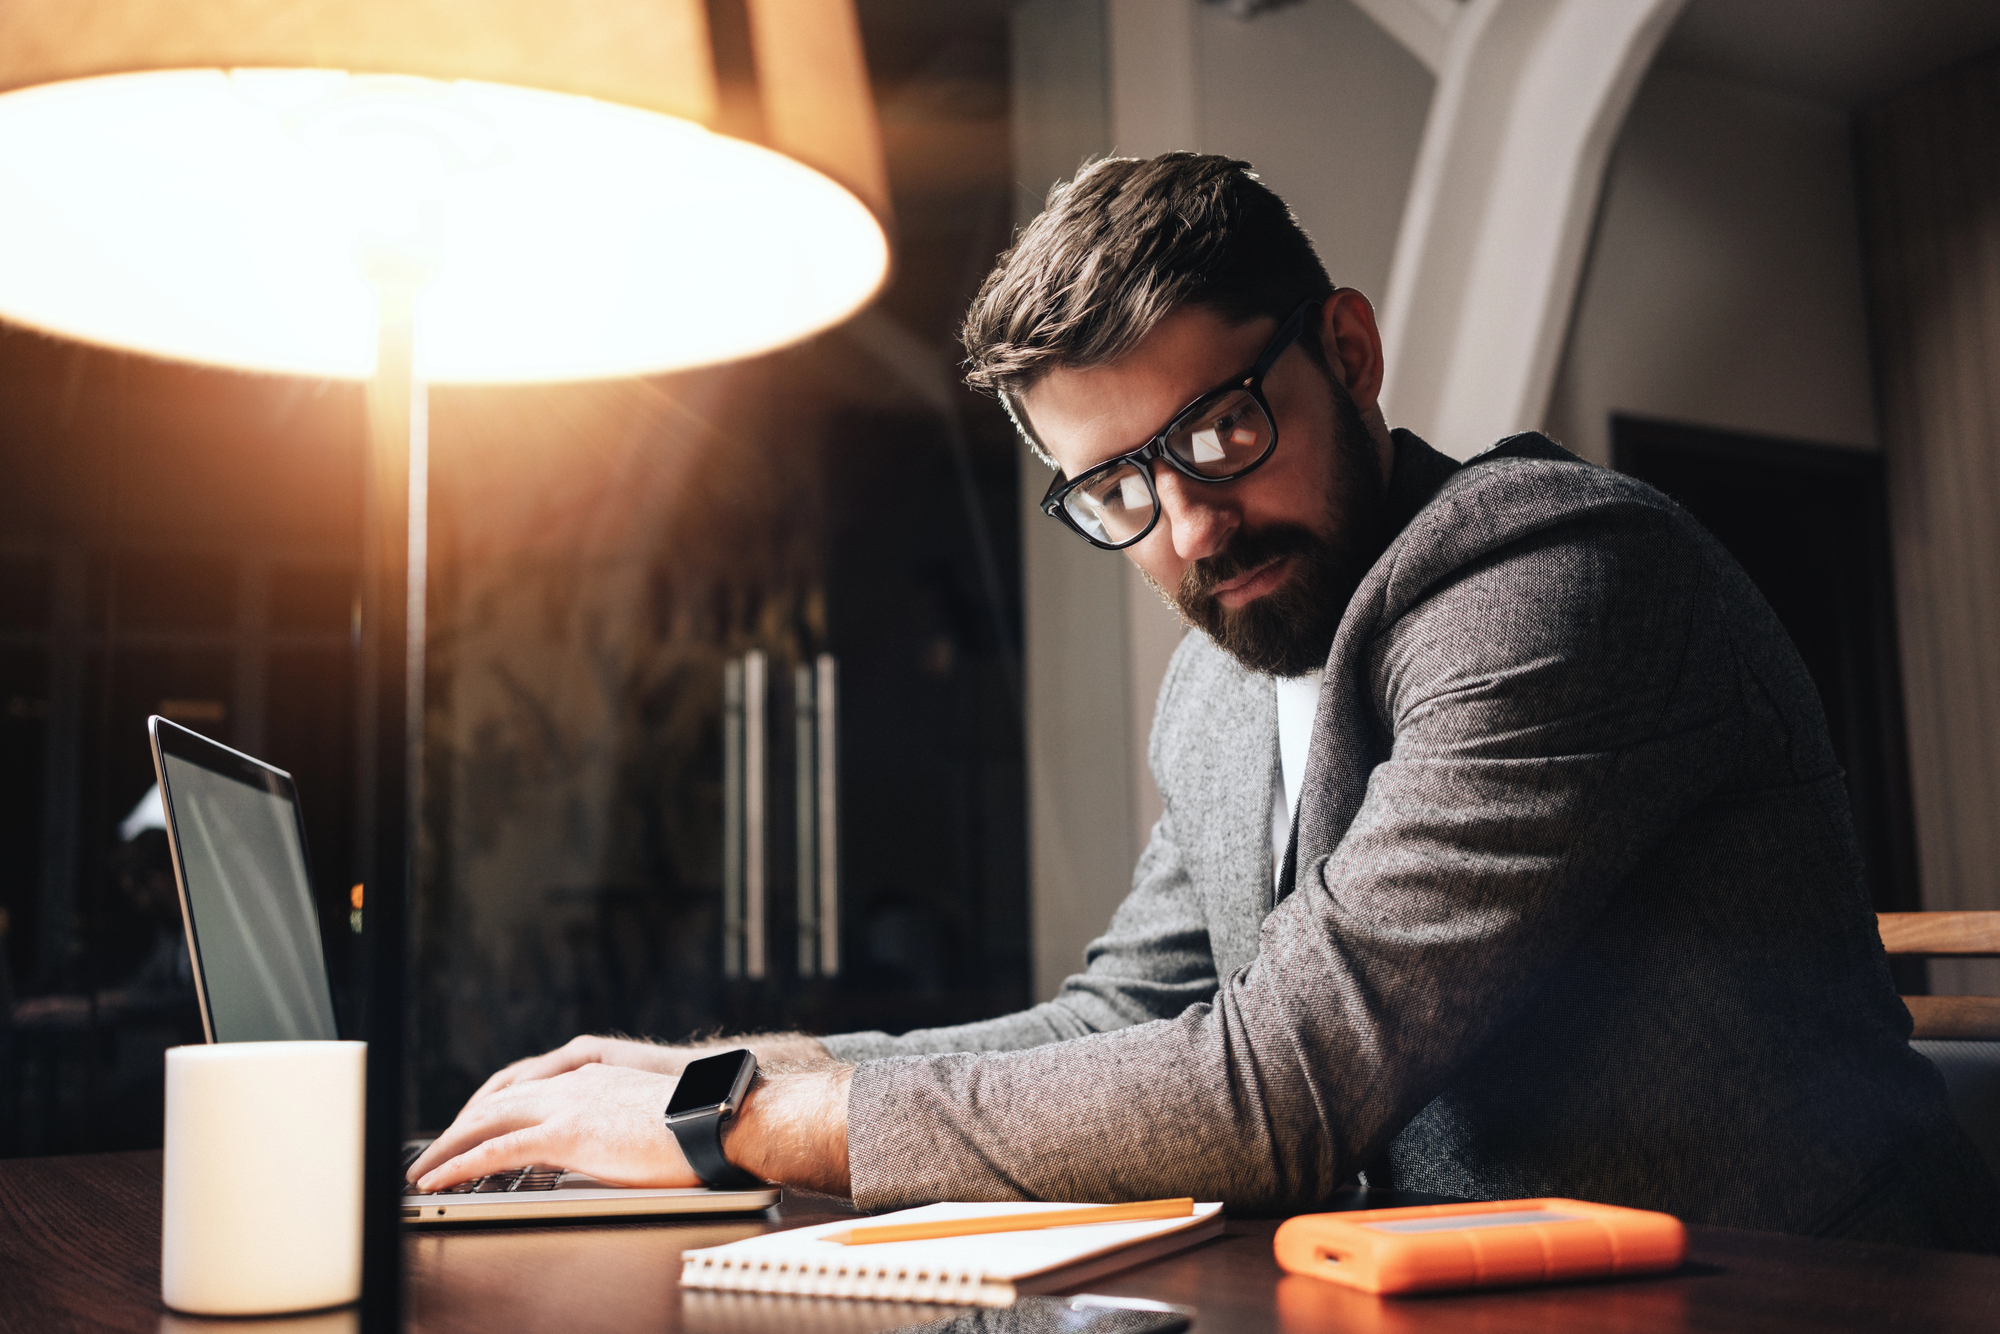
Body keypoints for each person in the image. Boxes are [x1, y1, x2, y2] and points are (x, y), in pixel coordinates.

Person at [410, 153, 2000, 1249]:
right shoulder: (1217, 689)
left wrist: (750, 1120)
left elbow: (1284, 1079)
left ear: (1350, 354)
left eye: (1220, 433)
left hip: (1797, 1296)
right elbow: (1125, 1017)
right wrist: (731, 1075)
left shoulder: (1556, 583)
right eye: (1111, 486)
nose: (1185, 526)